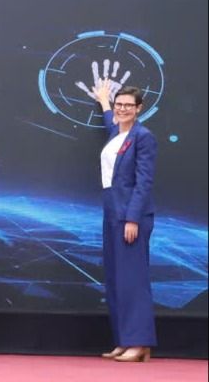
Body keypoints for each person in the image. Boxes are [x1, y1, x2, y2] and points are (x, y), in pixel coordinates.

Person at [91, 79, 156, 362]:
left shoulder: (144, 137)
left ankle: (139, 342)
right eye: (119, 105)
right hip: (112, 213)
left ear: (139, 108)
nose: (122, 109)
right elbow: (111, 121)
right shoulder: (117, 132)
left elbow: (144, 182)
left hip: (130, 217)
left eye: (129, 105)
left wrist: (133, 219)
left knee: (132, 279)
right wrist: (104, 101)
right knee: (116, 279)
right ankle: (123, 339)